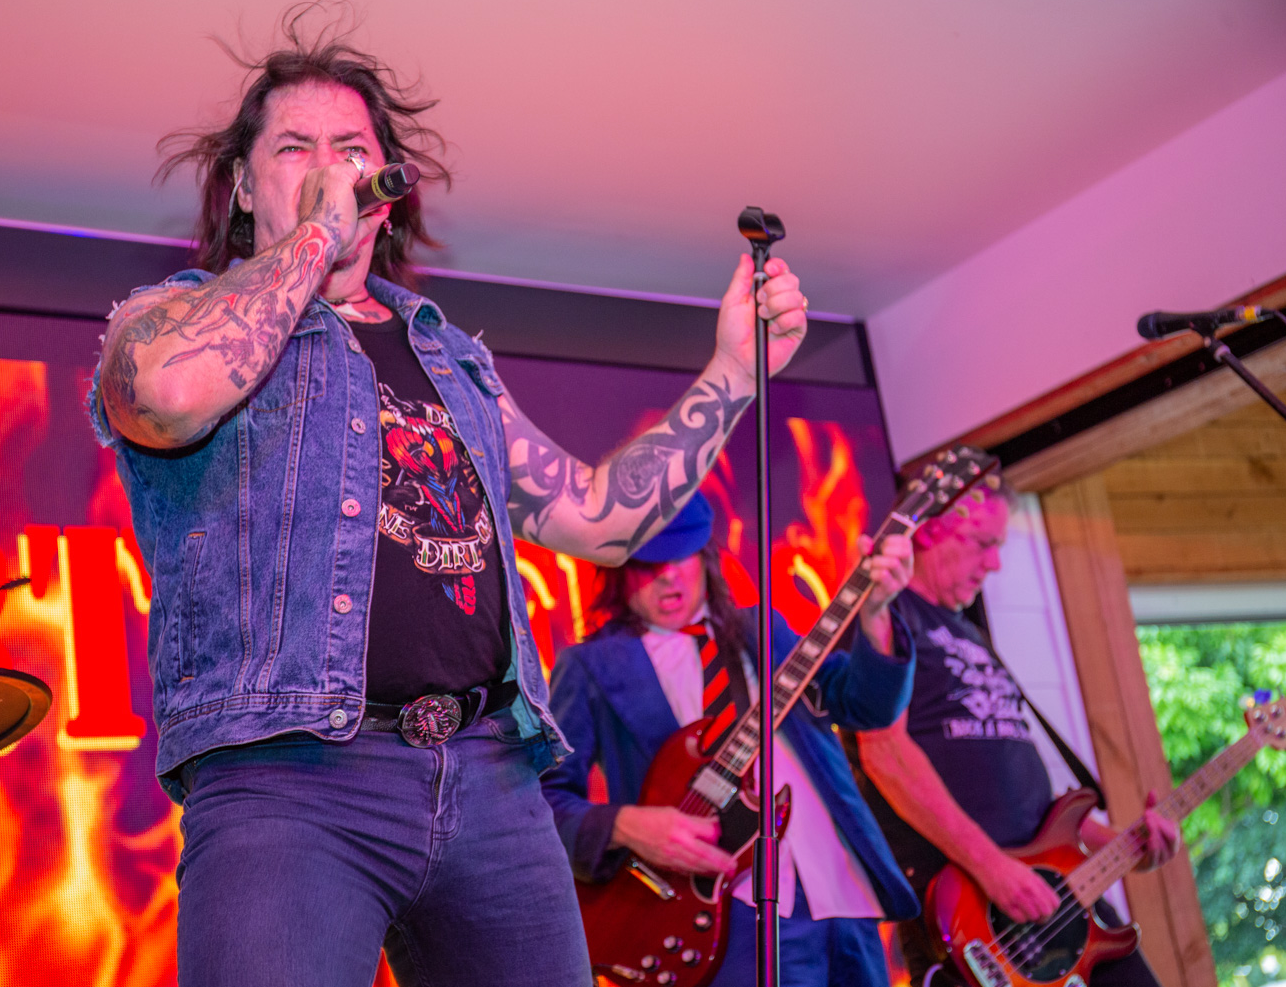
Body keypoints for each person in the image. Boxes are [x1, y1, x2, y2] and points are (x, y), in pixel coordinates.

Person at [86, 22, 808, 987]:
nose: (328, 169)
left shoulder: (451, 357)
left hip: (490, 776)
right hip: (288, 778)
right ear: (245, 187)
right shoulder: (173, 317)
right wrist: (314, 236)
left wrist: (732, 372)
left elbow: (603, 518)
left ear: (386, 190)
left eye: (351, 150)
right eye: (294, 149)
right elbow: (168, 396)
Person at [541, 491, 922, 986]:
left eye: (682, 555)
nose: (668, 576)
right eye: (648, 563)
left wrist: (876, 615)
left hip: (843, 889)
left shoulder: (764, 629)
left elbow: (866, 706)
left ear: (705, 556)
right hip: (729, 915)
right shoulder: (590, 666)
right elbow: (544, 803)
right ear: (617, 568)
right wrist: (627, 826)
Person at [851, 481, 1182, 987]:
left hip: (1056, 899)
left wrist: (1124, 842)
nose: (994, 564)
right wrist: (992, 868)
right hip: (971, 914)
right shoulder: (885, 617)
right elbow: (885, 754)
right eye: (984, 543)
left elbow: (1038, 810)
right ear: (931, 530)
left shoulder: (970, 633)